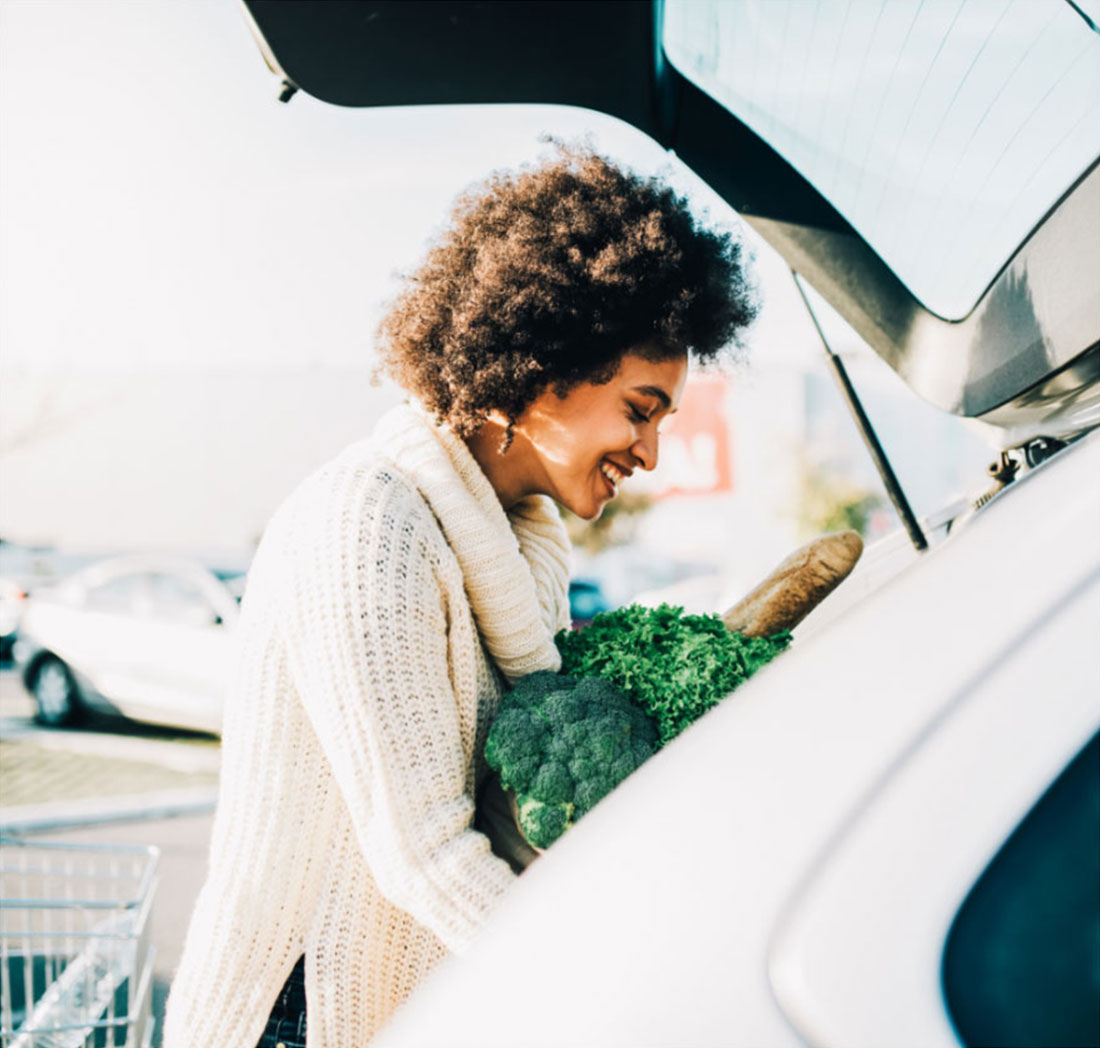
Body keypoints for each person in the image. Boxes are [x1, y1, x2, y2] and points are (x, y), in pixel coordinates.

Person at [162, 142, 758, 1048]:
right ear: (543, 368)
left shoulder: (523, 548)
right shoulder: (370, 523)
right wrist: (630, 1003)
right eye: (639, 410)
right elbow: (426, 855)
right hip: (300, 1013)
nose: (649, 453)